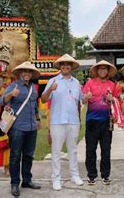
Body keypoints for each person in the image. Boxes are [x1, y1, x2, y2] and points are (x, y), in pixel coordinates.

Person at [41, 54, 83, 191]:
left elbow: (79, 102)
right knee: (56, 151)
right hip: (57, 121)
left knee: (73, 150)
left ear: (71, 67)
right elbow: (43, 99)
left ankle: (75, 175)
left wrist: (79, 119)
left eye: (68, 64)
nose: (65, 66)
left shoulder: (76, 83)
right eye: (63, 64)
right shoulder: (53, 81)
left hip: (73, 121)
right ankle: (56, 178)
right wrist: (50, 89)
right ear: (60, 67)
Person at [0, 62, 42, 197]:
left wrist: (38, 120)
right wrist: (11, 94)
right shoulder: (14, 86)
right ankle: (14, 183)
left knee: (29, 155)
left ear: (31, 74)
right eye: (24, 72)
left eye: (29, 72)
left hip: (31, 127)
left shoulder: (33, 88)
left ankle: (27, 180)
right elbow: (2, 101)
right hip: (17, 127)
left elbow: (35, 105)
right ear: (20, 73)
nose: (27, 74)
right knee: (15, 156)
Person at [81, 60, 119, 185]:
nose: (102, 71)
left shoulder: (112, 84)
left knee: (106, 149)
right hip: (92, 121)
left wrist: (111, 99)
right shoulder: (90, 83)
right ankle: (91, 175)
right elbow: (83, 100)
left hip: (106, 121)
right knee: (90, 149)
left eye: (105, 69)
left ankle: (105, 175)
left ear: (108, 71)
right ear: (97, 70)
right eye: (100, 68)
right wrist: (86, 97)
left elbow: (116, 102)